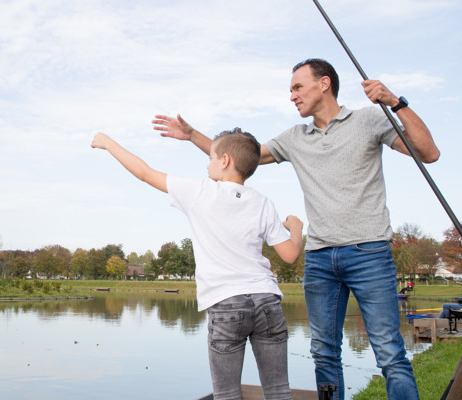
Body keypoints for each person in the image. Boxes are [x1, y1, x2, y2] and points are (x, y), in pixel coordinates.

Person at [153, 58, 439, 400]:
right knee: (324, 352)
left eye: (297, 87)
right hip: (320, 259)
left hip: (368, 252)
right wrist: (191, 136)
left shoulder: (369, 119)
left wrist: (396, 103)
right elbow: (240, 158)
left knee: (389, 351)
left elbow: (428, 152)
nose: (292, 96)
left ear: (324, 83)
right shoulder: (295, 137)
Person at [91, 128, 304, 400]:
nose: (207, 164)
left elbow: (144, 173)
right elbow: (290, 254)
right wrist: (296, 228)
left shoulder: (200, 191)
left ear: (225, 160)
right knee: (278, 391)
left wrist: (108, 143)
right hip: (267, 300)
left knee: (226, 394)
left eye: (211, 157)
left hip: (226, 303)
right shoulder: (263, 202)